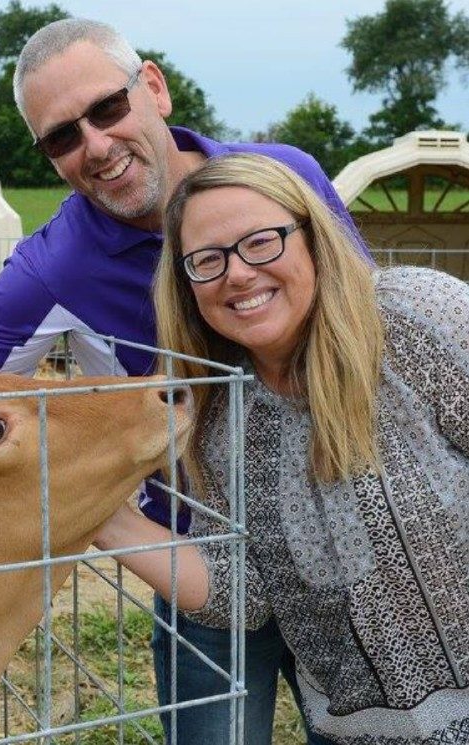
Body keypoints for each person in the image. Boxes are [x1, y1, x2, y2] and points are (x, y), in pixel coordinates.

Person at [0, 18, 370, 745]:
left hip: (337, 528)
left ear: (154, 89)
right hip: (199, 552)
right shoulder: (52, 266)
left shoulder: (285, 178)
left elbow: (365, 313)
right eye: (62, 137)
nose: (95, 146)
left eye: (106, 109)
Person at [94, 152, 469, 743]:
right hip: (356, 733)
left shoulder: (415, 317)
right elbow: (242, 595)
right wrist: (100, 517)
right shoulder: (218, 416)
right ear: (186, 285)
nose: (237, 274)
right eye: (207, 260)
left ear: (313, 239)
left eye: (261, 242)